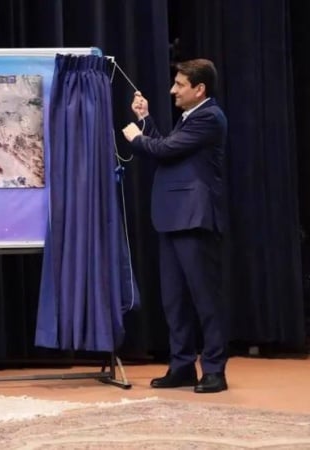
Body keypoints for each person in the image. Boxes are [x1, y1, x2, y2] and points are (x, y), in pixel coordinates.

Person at [121, 59, 229, 393]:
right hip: (173, 217)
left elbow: (165, 149)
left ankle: (214, 370)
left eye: (180, 85)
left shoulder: (210, 117)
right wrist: (145, 120)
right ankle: (182, 366)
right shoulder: (190, 117)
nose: (173, 90)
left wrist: (136, 138)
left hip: (194, 218)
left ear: (200, 89)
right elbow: (168, 149)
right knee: (174, 300)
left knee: (205, 300)